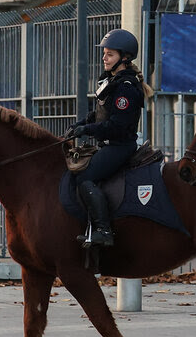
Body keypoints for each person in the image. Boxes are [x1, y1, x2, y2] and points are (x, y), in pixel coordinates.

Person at [64, 29, 153, 247]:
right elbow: (101, 113)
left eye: (110, 54)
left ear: (124, 58)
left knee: (84, 177)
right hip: (108, 145)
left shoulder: (127, 88)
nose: (104, 58)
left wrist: (88, 131)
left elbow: (117, 126)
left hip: (121, 146)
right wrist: (80, 125)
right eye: (104, 53)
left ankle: (103, 230)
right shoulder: (111, 82)